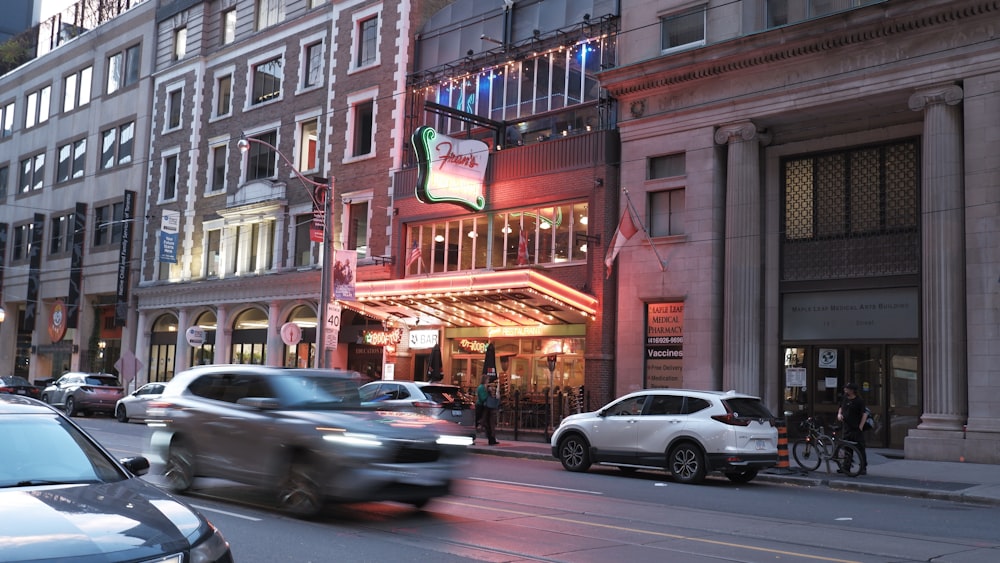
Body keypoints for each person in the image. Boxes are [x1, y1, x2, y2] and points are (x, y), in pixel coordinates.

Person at [837, 382, 868, 475]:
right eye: (845, 388)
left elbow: (864, 414)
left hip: (856, 428)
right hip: (847, 427)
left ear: (852, 391)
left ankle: (863, 467)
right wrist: (839, 414)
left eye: (847, 389)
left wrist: (860, 426)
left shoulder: (859, 401)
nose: (845, 390)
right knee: (847, 448)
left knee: (860, 448)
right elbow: (840, 408)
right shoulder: (845, 398)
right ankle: (846, 466)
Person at [478, 379, 500, 445]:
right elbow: (497, 399)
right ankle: (491, 439)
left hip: (489, 409)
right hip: (490, 409)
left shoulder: (486, 390)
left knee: (490, 425)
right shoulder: (488, 392)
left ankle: (491, 438)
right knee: (491, 425)